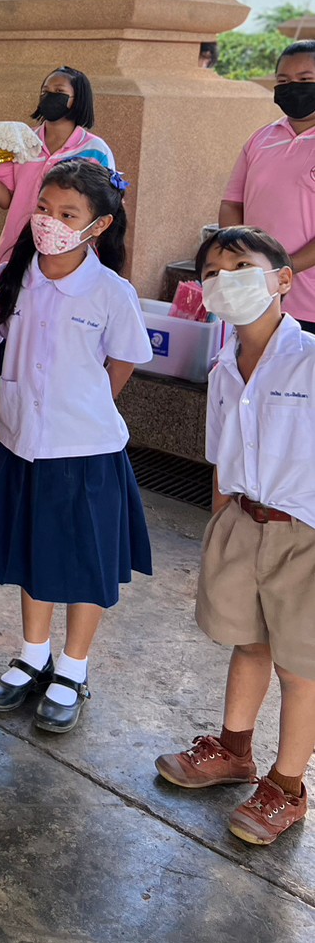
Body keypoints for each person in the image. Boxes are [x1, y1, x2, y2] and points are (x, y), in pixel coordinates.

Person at [0, 159, 153, 734]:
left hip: (85, 451)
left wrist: (84, 404)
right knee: (35, 552)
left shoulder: (111, 291)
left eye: (68, 214)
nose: (50, 222)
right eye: (44, 209)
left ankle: (73, 667)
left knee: (85, 561)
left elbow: (122, 360)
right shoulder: (16, 275)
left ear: (99, 225)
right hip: (22, 442)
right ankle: (33, 655)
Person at [155, 227, 314, 846]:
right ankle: (234, 750)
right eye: (213, 273)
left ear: (283, 279)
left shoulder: (309, 360)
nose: (227, 281)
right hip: (243, 522)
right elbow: (223, 458)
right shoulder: (224, 367)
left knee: (301, 668)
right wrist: (221, 525)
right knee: (248, 644)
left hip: (304, 532)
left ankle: (287, 787)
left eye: (243, 266)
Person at [0, 66, 115, 269]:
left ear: (78, 99)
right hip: (16, 247)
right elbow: (6, 201)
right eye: (45, 91)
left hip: (68, 253)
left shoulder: (95, 150)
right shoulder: (20, 142)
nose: (50, 97)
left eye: (59, 92)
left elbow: (104, 206)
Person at [219, 40, 315, 334]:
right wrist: (241, 259)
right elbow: (232, 203)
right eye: (283, 81)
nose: (292, 88)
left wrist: (283, 268)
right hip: (257, 297)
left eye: (305, 80)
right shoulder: (260, 139)